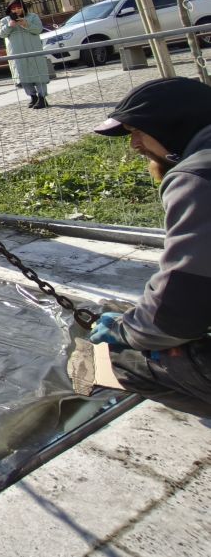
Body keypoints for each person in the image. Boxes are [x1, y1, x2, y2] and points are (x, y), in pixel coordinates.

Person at [88, 76, 211, 417]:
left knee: (119, 360)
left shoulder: (198, 178)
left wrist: (124, 331)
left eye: (138, 132)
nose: (135, 145)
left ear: (172, 126)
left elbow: (177, 313)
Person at [0, 0, 50, 108]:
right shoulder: (5, 20)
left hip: (34, 51)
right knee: (23, 75)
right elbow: (1, 34)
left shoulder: (33, 17)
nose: (16, 10)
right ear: (10, 10)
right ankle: (33, 97)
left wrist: (26, 24)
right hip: (17, 53)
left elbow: (38, 29)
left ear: (23, 7)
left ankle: (42, 98)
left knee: (39, 74)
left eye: (18, 8)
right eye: (13, 9)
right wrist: (9, 26)